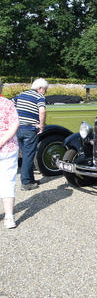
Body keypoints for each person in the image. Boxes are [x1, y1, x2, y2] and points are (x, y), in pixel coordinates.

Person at [13, 78, 48, 191]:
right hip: (30, 129)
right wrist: (41, 125)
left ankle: (31, 179)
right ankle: (26, 183)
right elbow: (42, 111)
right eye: (45, 89)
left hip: (18, 129)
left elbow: (11, 104)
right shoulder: (39, 97)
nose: (45, 92)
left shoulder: (21, 94)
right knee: (28, 156)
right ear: (39, 88)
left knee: (26, 154)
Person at [0, 79, 20, 228]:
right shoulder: (8, 103)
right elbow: (15, 124)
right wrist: (2, 141)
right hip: (8, 147)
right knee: (8, 181)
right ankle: (9, 217)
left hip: (7, 147)